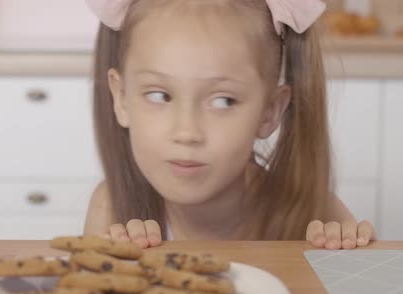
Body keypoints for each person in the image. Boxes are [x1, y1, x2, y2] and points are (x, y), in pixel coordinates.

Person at [83, 0, 376, 250]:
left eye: (223, 101)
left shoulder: (320, 215)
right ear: (121, 98)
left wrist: (347, 258)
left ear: (269, 112)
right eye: (160, 95)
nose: (186, 133)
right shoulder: (110, 208)